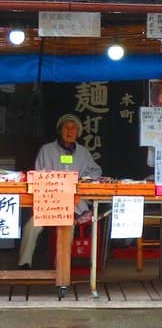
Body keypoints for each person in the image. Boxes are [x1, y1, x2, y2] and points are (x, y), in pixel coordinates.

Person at [18, 113, 102, 269]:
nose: (70, 131)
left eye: (73, 128)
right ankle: (24, 263)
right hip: (49, 203)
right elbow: (38, 174)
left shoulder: (83, 152)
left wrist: (84, 179)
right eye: (66, 127)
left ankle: (60, 267)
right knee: (32, 225)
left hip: (72, 205)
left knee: (67, 226)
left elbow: (96, 171)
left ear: (78, 132)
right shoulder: (46, 150)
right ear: (59, 130)